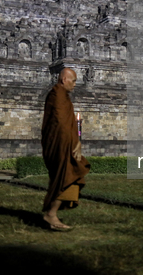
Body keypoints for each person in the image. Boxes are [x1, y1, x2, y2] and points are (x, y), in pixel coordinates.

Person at [41, 67, 90, 230]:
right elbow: (61, 124)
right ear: (64, 80)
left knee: (72, 176)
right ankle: (50, 214)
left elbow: (67, 122)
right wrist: (73, 143)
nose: (75, 84)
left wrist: (77, 140)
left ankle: (52, 213)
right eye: (73, 80)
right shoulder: (57, 95)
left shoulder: (62, 96)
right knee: (68, 176)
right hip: (61, 144)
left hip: (67, 142)